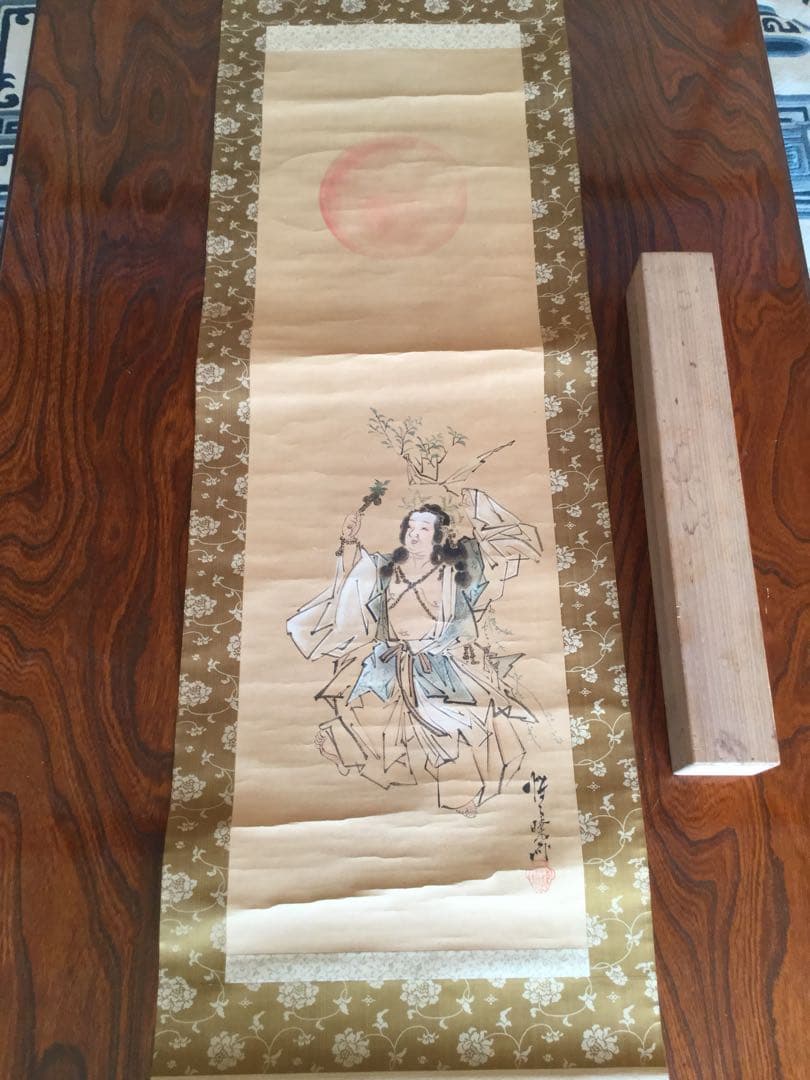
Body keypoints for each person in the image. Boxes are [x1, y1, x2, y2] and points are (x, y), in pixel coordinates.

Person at [287, 489, 543, 816]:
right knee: (364, 723)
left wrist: (476, 504)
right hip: (389, 661)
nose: (414, 533)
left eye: (424, 528)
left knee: (459, 727)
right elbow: (351, 581)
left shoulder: (456, 570)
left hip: (437, 664)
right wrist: (348, 540)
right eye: (411, 526)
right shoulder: (384, 567)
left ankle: (460, 799)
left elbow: (499, 547)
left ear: (439, 536)